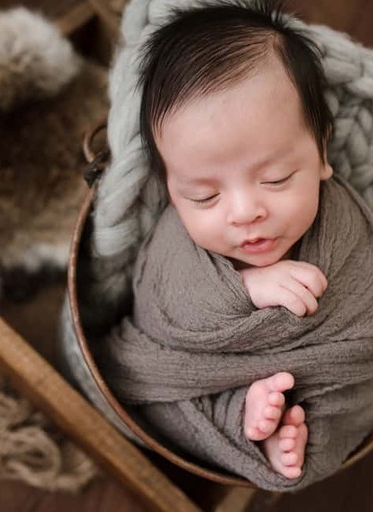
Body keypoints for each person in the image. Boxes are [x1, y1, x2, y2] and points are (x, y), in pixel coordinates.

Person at [138, 0, 334, 480]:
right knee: (172, 402)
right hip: (196, 377)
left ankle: (294, 434)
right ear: (170, 191)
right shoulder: (175, 243)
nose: (245, 213)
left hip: (328, 377)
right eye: (204, 196)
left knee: (366, 387)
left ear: (323, 152)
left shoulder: (343, 223)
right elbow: (158, 312)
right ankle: (242, 427)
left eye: (276, 178)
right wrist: (245, 289)